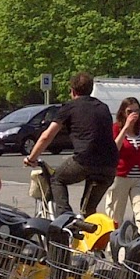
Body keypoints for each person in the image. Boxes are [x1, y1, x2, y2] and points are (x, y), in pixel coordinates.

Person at [23, 72, 118, 216]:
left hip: (85, 160)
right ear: (91, 90)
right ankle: (88, 230)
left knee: (56, 179)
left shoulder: (70, 107)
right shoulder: (103, 107)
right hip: (109, 164)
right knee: (88, 211)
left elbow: (47, 136)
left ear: (72, 91)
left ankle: (65, 217)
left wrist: (31, 158)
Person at [103, 97, 140, 233]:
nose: (134, 114)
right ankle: (113, 245)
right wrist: (126, 127)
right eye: (129, 111)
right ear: (122, 113)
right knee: (115, 215)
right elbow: (114, 149)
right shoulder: (115, 128)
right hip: (120, 176)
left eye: (137, 111)